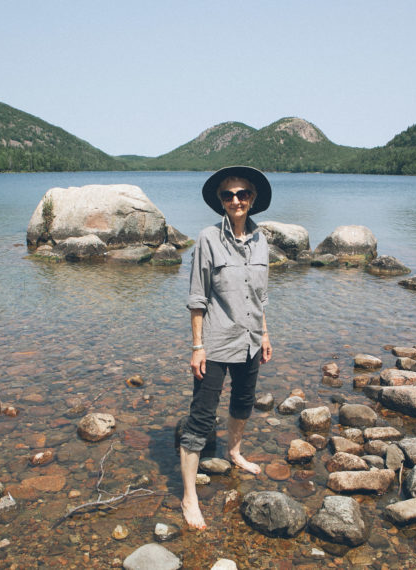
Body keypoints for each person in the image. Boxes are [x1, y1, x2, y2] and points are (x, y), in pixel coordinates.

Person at [179, 165, 273, 530]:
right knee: (201, 417)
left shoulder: (261, 239)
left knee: (243, 402)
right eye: (228, 195)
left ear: (252, 198)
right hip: (216, 343)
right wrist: (197, 346)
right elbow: (197, 298)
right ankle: (189, 495)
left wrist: (264, 334)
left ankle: (234, 451)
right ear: (220, 201)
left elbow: (259, 297)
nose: (236, 200)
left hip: (251, 341)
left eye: (243, 194)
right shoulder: (207, 239)